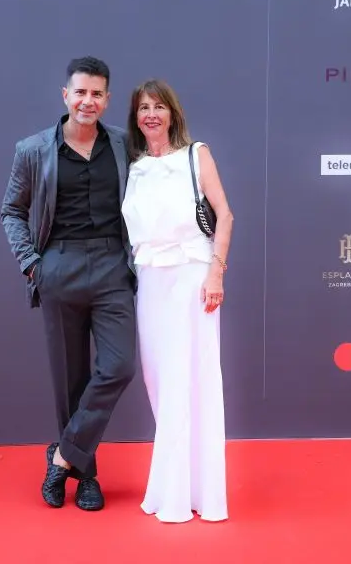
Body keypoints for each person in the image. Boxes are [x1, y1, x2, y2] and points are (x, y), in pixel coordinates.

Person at [0, 56, 137, 511]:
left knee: (118, 367)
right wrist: (32, 265)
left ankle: (62, 457)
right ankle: (87, 476)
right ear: (65, 95)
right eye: (80, 92)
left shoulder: (124, 146)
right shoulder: (33, 150)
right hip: (59, 264)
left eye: (97, 94)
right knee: (70, 380)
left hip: (113, 265)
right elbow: (11, 210)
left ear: (107, 99)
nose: (87, 101)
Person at [120, 79, 234, 523]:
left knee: (192, 380)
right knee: (159, 380)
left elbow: (225, 214)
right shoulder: (135, 167)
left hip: (192, 276)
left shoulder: (196, 154)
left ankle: (197, 494)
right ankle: (174, 484)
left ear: (173, 113)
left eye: (159, 106)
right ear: (135, 118)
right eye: (143, 108)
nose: (151, 114)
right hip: (151, 279)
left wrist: (215, 272)